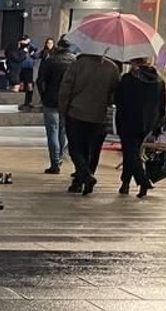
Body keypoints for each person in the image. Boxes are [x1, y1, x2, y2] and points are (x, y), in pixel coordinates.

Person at [59, 50, 120, 195]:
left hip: (76, 113)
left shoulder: (77, 65)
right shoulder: (112, 68)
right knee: (93, 151)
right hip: (99, 116)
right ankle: (85, 180)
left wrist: (63, 109)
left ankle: (84, 176)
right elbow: (114, 96)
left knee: (75, 149)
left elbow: (65, 89)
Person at [114, 56, 166, 198]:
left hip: (128, 121)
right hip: (149, 123)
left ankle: (143, 180)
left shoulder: (128, 79)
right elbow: (162, 106)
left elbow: (117, 100)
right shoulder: (159, 81)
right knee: (131, 152)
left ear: (134, 62)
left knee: (130, 152)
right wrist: (158, 126)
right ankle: (125, 183)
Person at [36, 36, 75, 174]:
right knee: (63, 131)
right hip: (68, 102)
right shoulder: (74, 61)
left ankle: (55, 163)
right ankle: (59, 159)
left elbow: (40, 80)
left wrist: (43, 96)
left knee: (52, 131)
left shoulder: (50, 60)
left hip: (50, 101)